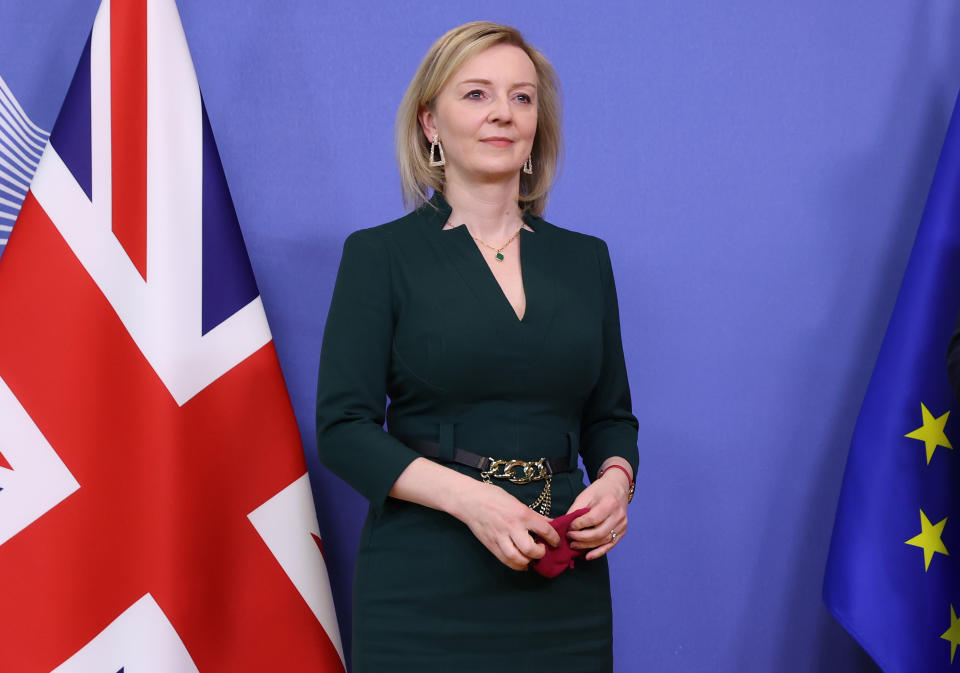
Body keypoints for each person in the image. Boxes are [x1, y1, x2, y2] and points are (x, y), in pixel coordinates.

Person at [316, 21, 639, 673]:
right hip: (424, 585)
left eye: (522, 98)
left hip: (562, 581)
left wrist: (615, 481)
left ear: (537, 128)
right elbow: (343, 429)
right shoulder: (380, 255)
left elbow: (610, 416)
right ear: (430, 123)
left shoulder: (585, 260)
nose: (503, 113)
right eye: (477, 94)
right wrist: (471, 499)